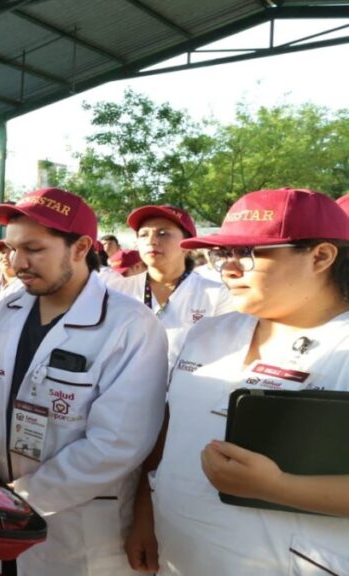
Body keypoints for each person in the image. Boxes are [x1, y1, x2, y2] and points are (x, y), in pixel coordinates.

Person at [126, 188, 349, 575]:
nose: (228, 269)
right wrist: (145, 512)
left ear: (321, 256)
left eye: (247, 253)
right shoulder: (209, 333)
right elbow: (173, 427)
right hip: (180, 554)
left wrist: (277, 486)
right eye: (222, 254)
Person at [0, 187, 168, 576]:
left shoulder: (129, 326)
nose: (17, 263)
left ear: (81, 247)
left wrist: (22, 499)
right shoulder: (7, 310)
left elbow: (118, 443)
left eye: (34, 249)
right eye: (12, 249)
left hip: (76, 525)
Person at [107, 205, 234, 367]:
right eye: (143, 235)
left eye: (163, 233)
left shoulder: (217, 295)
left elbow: (226, 355)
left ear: (187, 245)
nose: (151, 241)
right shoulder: (116, 291)